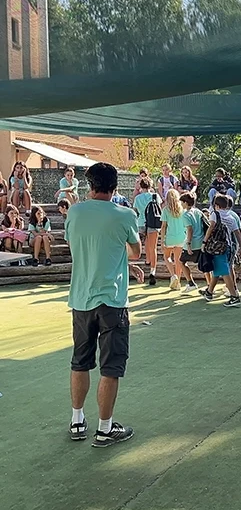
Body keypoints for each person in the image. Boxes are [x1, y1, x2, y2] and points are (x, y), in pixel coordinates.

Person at [65, 162, 141, 447]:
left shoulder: (75, 212)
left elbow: (78, 247)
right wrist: (121, 257)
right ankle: (105, 428)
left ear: (90, 185)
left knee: (80, 362)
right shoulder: (125, 214)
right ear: (115, 186)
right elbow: (135, 252)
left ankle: (77, 421)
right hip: (112, 300)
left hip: (81, 299)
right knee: (111, 367)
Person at [200, 195, 241, 307]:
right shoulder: (231, 217)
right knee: (218, 269)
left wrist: (204, 242)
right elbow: (237, 233)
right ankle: (209, 292)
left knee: (224, 271)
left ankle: (234, 297)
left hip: (217, 247)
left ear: (216, 205)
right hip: (227, 246)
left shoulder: (215, 214)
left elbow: (211, 227)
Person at [133, 178, 161, 286]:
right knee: (153, 247)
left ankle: (147, 260)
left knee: (145, 243)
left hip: (141, 223)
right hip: (153, 222)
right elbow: (159, 208)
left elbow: (135, 211)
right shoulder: (155, 196)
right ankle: (152, 270)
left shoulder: (138, 198)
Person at [161, 189, 186, 291]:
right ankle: (178, 281)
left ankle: (173, 275)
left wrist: (162, 240)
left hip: (170, 237)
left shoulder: (166, 210)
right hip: (181, 237)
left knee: (167, 256)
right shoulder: (182, 209)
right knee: (178, 260)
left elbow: (163, 226)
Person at [180, 192, 205, 294]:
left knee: (182, 262)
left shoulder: (185, 215)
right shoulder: (198, 211)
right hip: (201, 242)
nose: (181, 204)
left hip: (193, 243)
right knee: (205, 264)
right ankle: (209, 285)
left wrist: (189, 244)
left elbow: (189, 230)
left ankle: (191, 283)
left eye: (182, 202)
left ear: (186, 203)